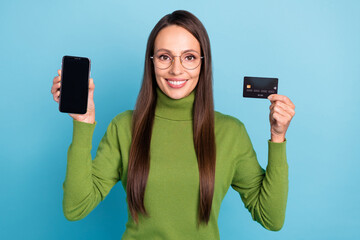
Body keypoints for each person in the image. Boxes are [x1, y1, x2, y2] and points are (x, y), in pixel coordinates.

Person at [50, 10, 295, 239]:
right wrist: (84, 124)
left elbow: (271, 218)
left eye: (189, 57)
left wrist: (277, 137)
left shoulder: (231, 132)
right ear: (151, 61)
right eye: (165, 57)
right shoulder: (124, 126)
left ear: (203, 62)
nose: (176, 70)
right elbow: (76, 208)